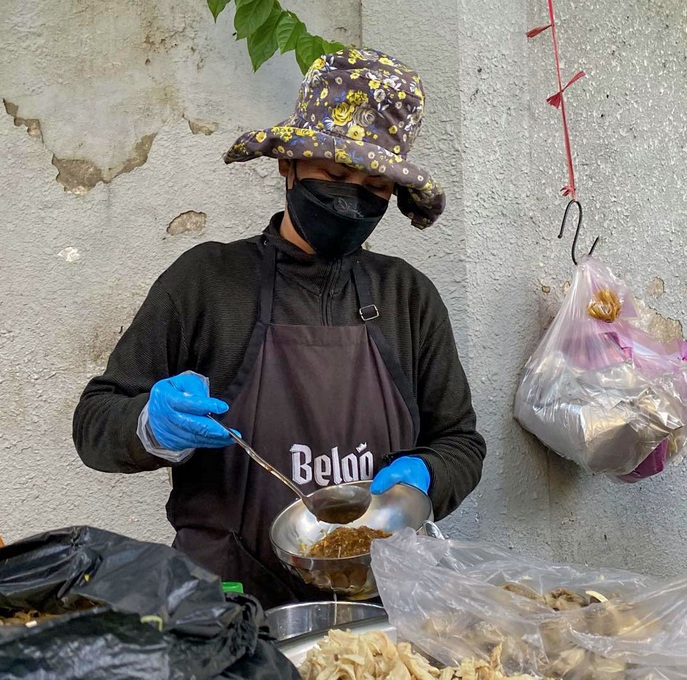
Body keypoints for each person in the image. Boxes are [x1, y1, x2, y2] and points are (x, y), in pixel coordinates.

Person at [73, 47, 486, 609]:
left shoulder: (407, 296)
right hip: (227, 607)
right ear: (287, 164)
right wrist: (151, 425)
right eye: (336, 175)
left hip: (380, 604)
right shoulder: (208, 281)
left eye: (375, 188)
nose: (352, 201)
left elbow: (460, 442)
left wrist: (428, 477)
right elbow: (95, 421)